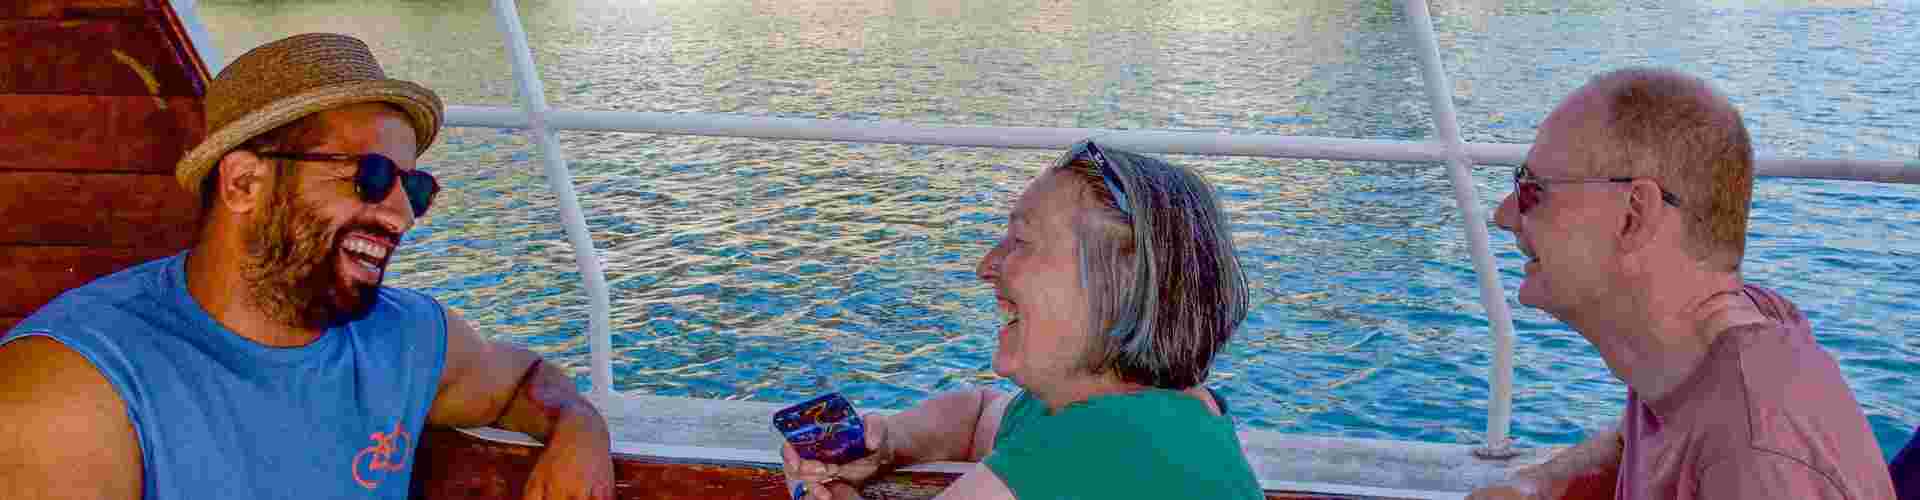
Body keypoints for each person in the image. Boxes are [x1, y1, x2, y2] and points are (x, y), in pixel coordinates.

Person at [0, 33, 613, 499]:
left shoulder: (406, 340)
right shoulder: (72, 387)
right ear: (244, 182)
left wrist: (580, 429)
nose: (403, 214)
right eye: (370, 177)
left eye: (416, 187)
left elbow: (522, 381)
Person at [1467, 68, 1895, 499]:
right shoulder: (1699, 340)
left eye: (1533, 190)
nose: (1504, 215)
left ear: (1633, 215)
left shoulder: (1756, 460)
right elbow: (1636, 438)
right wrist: (1535, 488)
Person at [779, 139, 1263, 500]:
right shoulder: (1158, 418)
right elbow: (976, 418)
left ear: (1122, 283)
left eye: (1021, 241)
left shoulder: (1098, 445)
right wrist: (886, 445)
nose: (986, 265)